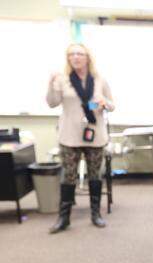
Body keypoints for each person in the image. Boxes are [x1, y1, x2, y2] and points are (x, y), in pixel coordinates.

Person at [45, 43, 114, 233]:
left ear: (87, 57)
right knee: (68, 176)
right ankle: (63, 218)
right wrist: (50, 84)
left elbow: (112, 105)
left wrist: (103, 103)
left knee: (95, 174)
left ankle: (95, 214)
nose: (75, 57)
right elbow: (52, 103)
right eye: (71, 54)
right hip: (69, 136)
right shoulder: (63, 80)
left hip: (95, 135)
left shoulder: (99, 80)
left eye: (79, 54)